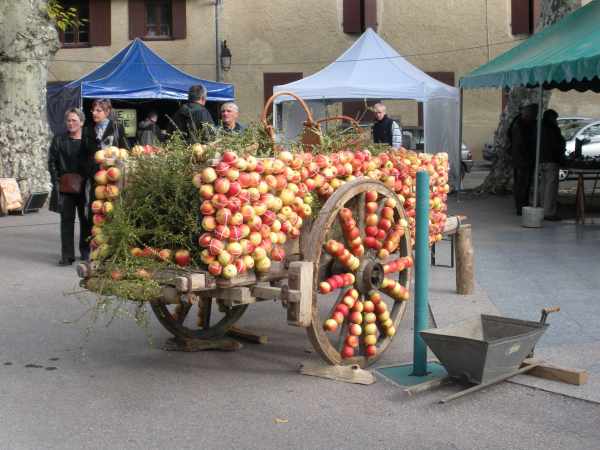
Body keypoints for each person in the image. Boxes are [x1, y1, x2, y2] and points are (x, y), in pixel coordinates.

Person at [48, 108, 91, 265]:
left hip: (84, 186)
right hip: (65, 187)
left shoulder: (88, 140)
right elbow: (52, 162)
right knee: (66, 221)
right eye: (68, 120)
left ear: (81, 122)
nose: (71, 123)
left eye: (74, 120)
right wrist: (56, 181)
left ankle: (85, 252)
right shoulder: (58, 139)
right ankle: (67, 255)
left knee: (86, 220)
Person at [510, 103, 538, 216]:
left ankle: (522, 206)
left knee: (523, 184)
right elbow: (521, 144)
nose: (535, 117)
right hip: (522, 160)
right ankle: (521, 207)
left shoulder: (519, 123)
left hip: (521, 159)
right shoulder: (520, 125)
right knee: (522, 184)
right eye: (534, 114)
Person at [539, 109, 566, 221]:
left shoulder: (540, 127)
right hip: (551, 160)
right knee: (551, 187)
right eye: (555, 118)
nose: (556, 121)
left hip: (542, 159)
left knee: (544, 186)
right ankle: (549, 212)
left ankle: (542, 208)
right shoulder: (553, 129)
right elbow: (557, 144)